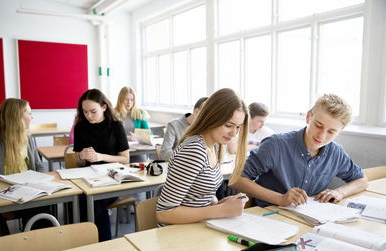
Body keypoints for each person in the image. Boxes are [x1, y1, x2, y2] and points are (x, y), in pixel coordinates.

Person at [230, 94, 368, 208]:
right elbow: (236, 180)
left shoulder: (336, 153)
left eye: (331, 132)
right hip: (269, 217)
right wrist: (281, 198)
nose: (321, 136)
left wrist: (340, 192)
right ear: (309, 117)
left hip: (307, 220)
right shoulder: (276, 145)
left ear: (339, 132)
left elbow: (361, 180)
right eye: (318, 125)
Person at [156, 88, 250, 226]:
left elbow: (197, 198)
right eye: (229, 125)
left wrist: (219, 204)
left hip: (197, 226)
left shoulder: (215, 145)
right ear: (212, 117)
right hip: (177, 234)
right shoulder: (195, 150)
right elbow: (164, 214)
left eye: (238, 127)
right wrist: (221, 210)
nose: (233, 134)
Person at [73, 89, 129, 241]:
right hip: (88, 178)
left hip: (111, 179)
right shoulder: (80, 127)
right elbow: (77, 162)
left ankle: (103, 244)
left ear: (104, 107)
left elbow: (125, 158)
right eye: (85, 112)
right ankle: (84, 241)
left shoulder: (116, 126)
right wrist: (81, 155)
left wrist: (100, 156)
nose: (88, 116)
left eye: (93, 111)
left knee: (95, 203)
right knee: (78, 200)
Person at [0, 98, 46, 241]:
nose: (32, 117)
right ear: (16, 116)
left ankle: (39, 248)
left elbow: (38, 165)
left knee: (44, 208)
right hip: (0, 196)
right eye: (29, 113)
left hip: (27, 192)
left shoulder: (28, 138)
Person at [160, 97, 208, 161]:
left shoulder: (207, 128)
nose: (206, 121)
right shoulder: (174, 125)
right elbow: (164, 154)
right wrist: (187, 158)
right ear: (196, 112)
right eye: (205, 117)